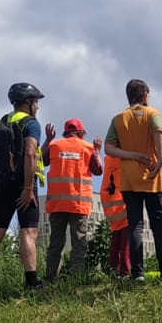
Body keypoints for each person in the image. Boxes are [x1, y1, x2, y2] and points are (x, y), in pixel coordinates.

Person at [0, 84, 46, 291]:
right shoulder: (31, 124)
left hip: (2, 184)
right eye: (36, 101)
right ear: (28, 103)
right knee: (28, 232)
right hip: (23, 184)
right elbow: (29, 154)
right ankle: (31, 281)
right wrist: (28, 188)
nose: (37, 106)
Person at [105, 79, 162, 282]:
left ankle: (138, 274)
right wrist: (160, 160)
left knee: (135, 225)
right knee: (158, 224)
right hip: (152, 178)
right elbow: (159, 133)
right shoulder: (153, 113)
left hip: (129, 180)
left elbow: (108, 148)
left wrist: (133, 155)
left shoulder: (118, 119)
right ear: (144, 95)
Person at [42, 117, 103, 281]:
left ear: (65, 132)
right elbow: (98, 170)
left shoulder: (54, 146)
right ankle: (75, 279)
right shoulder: (87, 147)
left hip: (57, 204)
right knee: (79, 244)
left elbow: (40, 161)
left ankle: (50, 279)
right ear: (81, 133)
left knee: (56, 244)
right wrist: (97, 151)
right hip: (78, 204)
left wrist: (48, 139)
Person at [100, 154, 131, 276]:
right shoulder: (125, 157)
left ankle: (113, 269)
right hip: (125, 205)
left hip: (112, 209)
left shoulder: (108, 159)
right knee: (125, 244)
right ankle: (124, 272)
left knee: (116, 240)